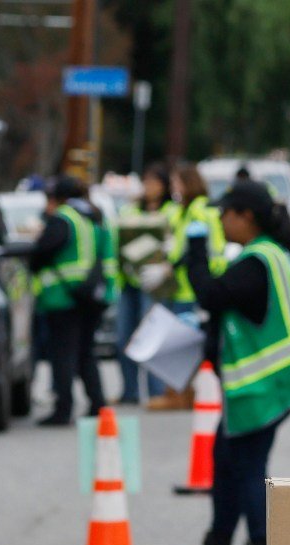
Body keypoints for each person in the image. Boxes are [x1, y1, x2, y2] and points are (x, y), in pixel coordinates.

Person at [175, 180, 290, 545]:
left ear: (245, 216)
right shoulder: (272, 256)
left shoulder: (256, 262)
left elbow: (212, 295)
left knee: (245, 466)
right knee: (227, 461)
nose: (220, 222)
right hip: (272, 385)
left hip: (261, 387)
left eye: (224, 214)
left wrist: (194, 253)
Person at [28, 175, 116, 426]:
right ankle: (97, 403)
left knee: (63, 355)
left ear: (57, 198)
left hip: (64, 298)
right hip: (92, 295)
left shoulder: (64, 218)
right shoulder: (94, 216)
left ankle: (63, 409)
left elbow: (41, 253)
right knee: (85, 352)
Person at [154, 163, 226, 410]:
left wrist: (170, 266)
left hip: (195, 284)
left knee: (186, 342)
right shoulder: (185, 210)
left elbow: (193, 249)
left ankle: (184, 393)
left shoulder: (198, 211)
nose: (173, 188)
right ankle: (182, 392)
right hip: (186, 284)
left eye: (177, 183)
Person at [116, 163, 177, 404]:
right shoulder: (131, 209)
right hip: (130, 280)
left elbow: (175, 240)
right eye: (147, 182)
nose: (149, 188)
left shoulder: (172, 210)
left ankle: (157, 392)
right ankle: (129, 391)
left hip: (156, 283)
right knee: (124, 337)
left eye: (155, 183)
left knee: (153, 337)